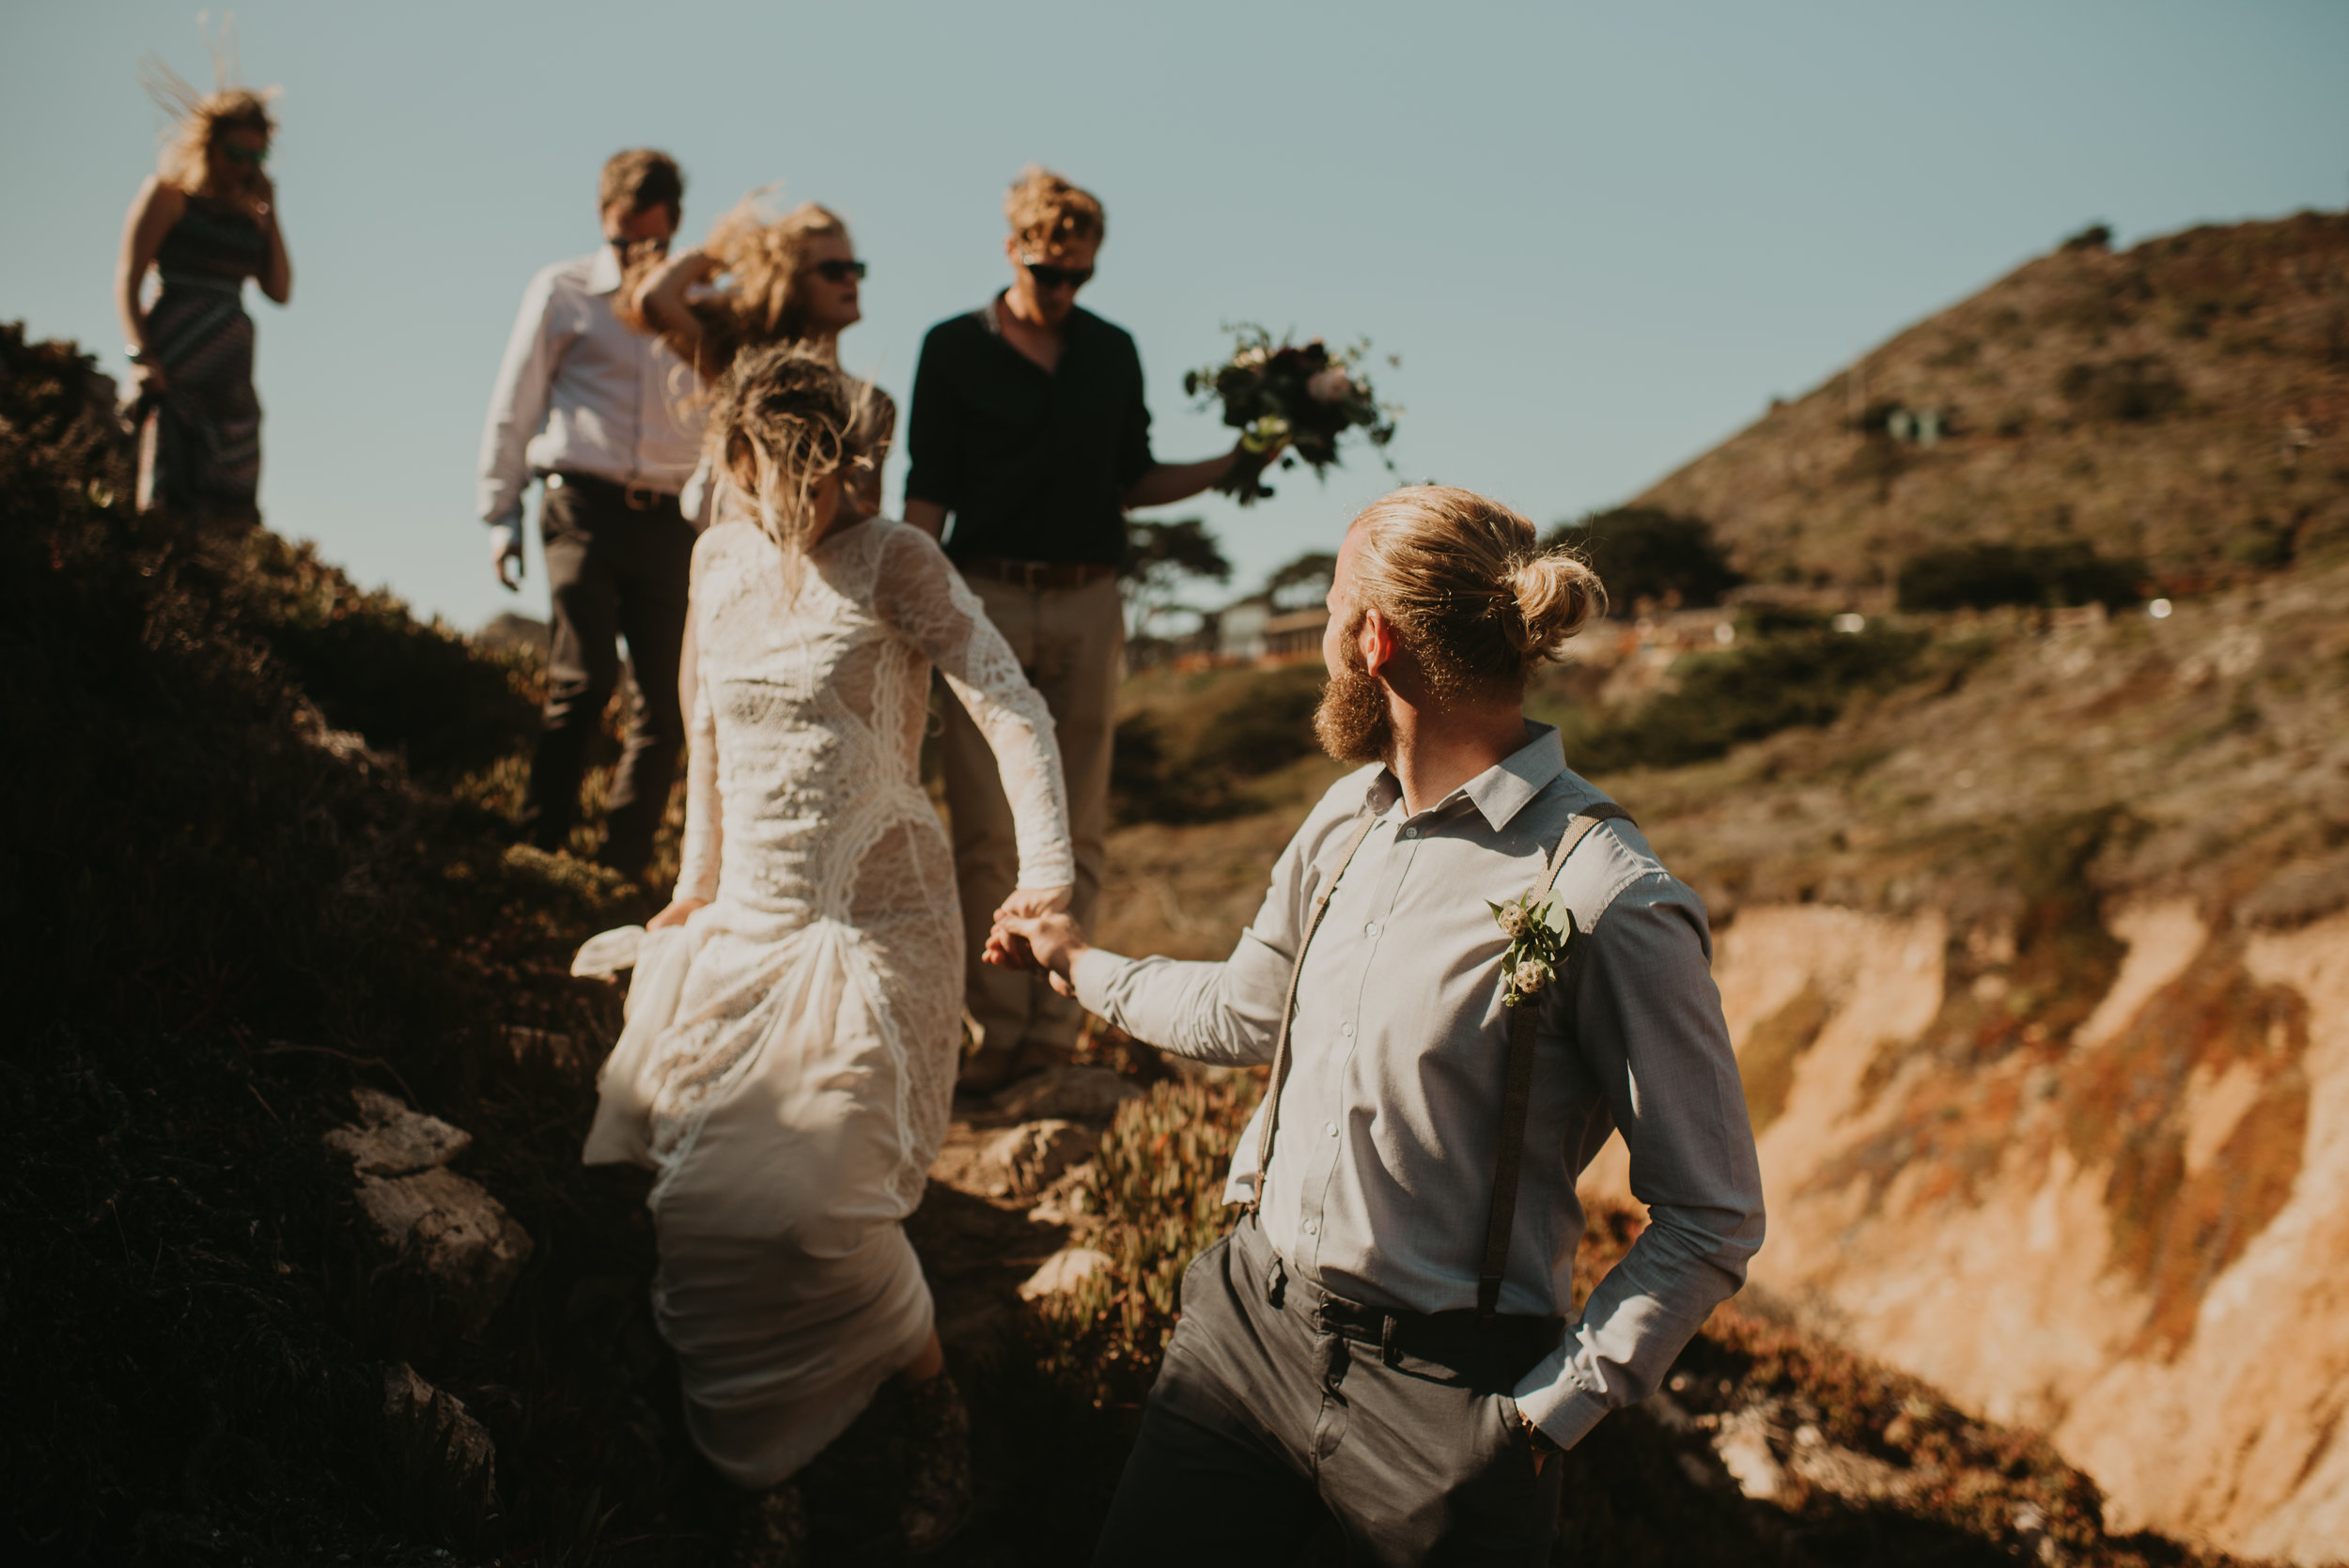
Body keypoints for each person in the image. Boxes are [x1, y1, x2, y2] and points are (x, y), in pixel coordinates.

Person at [990, 486, 1767, 1565]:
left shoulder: (1605, 892)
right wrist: (1078, 965)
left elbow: (1710, 1213)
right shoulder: (1345, 820)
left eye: (1326, 609)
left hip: (1450, 1406)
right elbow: (1241, 1010)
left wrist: (1541, 1421)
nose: (1317, 639)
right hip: (1242, 1337)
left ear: (1373, 640)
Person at [576, 346, 1074, 1560]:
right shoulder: (717, 556)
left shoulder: (899, 557)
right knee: (693, 1213)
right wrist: (692, 893)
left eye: (851, 463)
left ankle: (928, 1407)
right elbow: (707, 733)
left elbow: (1010, 704)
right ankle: (759, 1473)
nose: (840, 490)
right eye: (808, 469)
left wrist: (1048, 873)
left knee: (812, 1211)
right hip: (744, 920)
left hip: (873, 928)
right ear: (742, 461)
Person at [904, 165, 1268, 1092]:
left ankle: (1054, 1035)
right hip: (981, 596)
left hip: (1089, 597)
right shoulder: (949, 347)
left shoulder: (1113, 352)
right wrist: (906, 612)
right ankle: (992, 1040)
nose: (1063, 289)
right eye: (1047, 270)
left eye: (1079, 274)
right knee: (987, 824)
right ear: (1012, 250)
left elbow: (1131, 478)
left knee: (1082, 821)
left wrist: (1235, 461)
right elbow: (928, 491)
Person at [477, 149, 701, 885]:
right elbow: (517, 401)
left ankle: (620, 871)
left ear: (674, 227)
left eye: (652, 241)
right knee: (586, 675)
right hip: (582, 505)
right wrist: (499, 512)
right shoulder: (563, 290)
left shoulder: (703, 305)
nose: (636, 254)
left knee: (667, 705)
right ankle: (537, 850)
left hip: (672, 521)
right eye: (622, 238)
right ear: (602, 219)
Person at [626, 193, 893, 522]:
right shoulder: (747, 374)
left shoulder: (873, 403)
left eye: (854, 268)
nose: (850, 279)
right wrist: (724, 254)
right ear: (790, 281)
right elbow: (655, 298)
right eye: (832, 270)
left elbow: (865, 514)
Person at [115, 67, 292, 531]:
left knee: (227, 522)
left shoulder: (252, 217)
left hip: (232, 392)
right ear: (209, 145)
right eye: (236, 154)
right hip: (174, 374)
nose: (245, 167)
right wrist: (142, 357)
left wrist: (271, 214)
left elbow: (279, 290)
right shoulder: (169, 197)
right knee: (168, 506)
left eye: (257, 156)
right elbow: (127, 280)